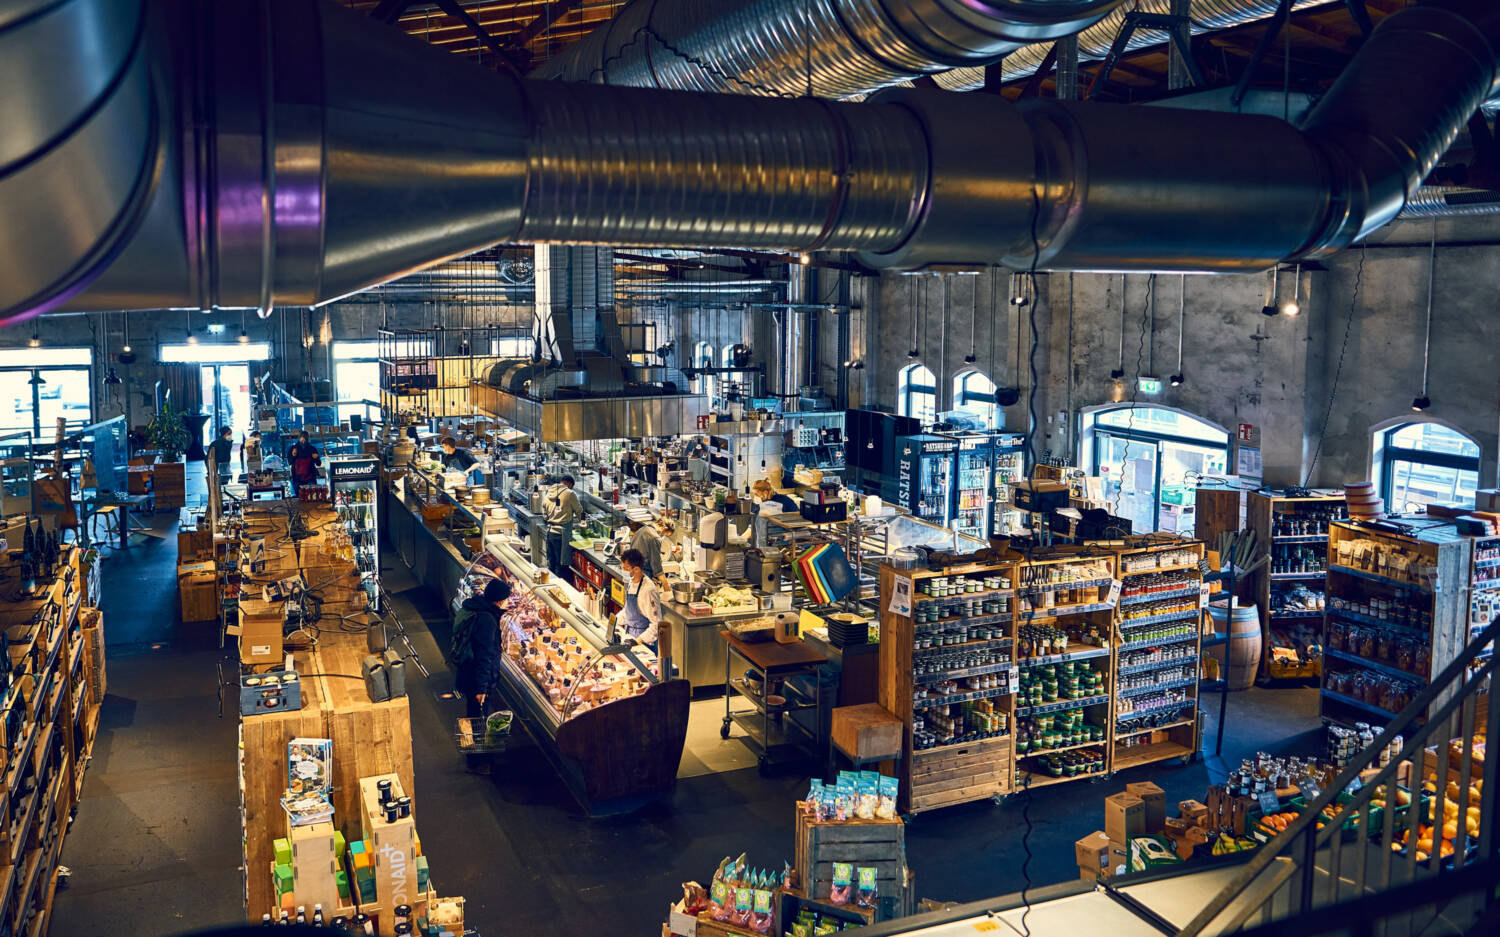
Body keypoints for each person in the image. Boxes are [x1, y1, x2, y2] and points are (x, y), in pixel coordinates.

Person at [450, 578, 512, 721]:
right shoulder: (487, 620)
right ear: (499, 601)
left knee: (473, 711)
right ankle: (476, 735)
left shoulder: (477, 607)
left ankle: (474, 732)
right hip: (475, 677)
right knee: (477, 716)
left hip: (467, 670)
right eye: (506, 599)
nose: (508, 602)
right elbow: (483, 656)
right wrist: (481, 689)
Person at [616, 548, 663, 652]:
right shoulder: (632, 582)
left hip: (645, 644)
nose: (623, 571)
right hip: (630, 636)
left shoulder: (648, 590)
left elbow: (657, 624)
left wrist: (638, 640)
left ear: (636, 569)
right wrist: (614, 622)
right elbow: (628, 611)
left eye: (626, 568)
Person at [543, 475, 581, 576]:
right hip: (562, 535)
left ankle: (551, 584)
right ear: (569, 484)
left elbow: (545, 515)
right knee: (561, 565)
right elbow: (579, 511)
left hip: (550, 532)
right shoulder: (570, 493)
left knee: (552, 563)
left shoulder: (549, 492)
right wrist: (583, 524)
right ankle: (560, 585)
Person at [629, 516, 674, 581]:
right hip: (643, 573)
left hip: (633, 570)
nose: (663, 536)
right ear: (664, 528)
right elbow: (656, 567)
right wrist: (665, 584)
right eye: (665, 534)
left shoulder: (642, 529)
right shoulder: (655, 538)